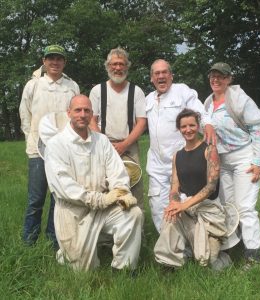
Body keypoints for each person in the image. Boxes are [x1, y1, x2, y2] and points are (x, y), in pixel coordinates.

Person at [44, 95, 142, 271]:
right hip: (72, 213)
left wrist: (121, 191)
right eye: (78, 110)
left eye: (87, 110)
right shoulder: (56, 145)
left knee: (133, 214)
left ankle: (124, 269)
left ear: (91, 114)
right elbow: (64, 187)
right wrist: (100, 199)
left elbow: (116, 170)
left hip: (104, 209)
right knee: (83, 270)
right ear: (69, 113)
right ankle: (67, 253)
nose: (82, 114)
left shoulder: (101, 140)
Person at [204, 62, 260, 268]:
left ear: (229, 78)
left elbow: (258, 129)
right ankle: (231, 247)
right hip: (222, 161)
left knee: (245, 207)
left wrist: (258, 162)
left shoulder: (239, 98)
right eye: (212, 76)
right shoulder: (207, 102)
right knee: (228, 206)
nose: (216, 79)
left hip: (244, 157)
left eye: (220, 76)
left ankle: (253, 254)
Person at [19, 44, 80, 248]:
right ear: (44, 62)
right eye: (50, 58)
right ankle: (29, 242)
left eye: (59, 59)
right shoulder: (34, 85)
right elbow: (25, 114)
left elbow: (76, 117)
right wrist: (32, 138)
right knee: (35, 200)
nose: (55, 62)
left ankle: (54, 242)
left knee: (59, 198)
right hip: (37, 151)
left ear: (64, 62)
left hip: (63, 152)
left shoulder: (72, 87)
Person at [146, 59, 216, 232]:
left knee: (184, 203)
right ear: (151, 78)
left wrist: (207, 124)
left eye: (165, 72)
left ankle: (190, 242)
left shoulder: (182, 91)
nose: (161, 76)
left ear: (171, 75)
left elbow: (198, 111)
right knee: (157, 205)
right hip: (156, 163)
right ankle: (168, 243)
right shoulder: (148, 99)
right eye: (157, 73)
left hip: (181, 162)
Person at [154, 109, 229, 270]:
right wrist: (175, 204)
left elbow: (211, 187)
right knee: (169, 218)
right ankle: (169, 262)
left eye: (192, 125)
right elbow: (175, 186)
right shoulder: (177, 156)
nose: (188, 130)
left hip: (207, 210)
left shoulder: (209, 150)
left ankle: (221, 255)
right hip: (185, 208)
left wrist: (184, 205)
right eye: (184, 126)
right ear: (179, 129)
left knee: (207, 263)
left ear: (198, 127)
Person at [89, 47, 146, 211]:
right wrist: (105, 144)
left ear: (127, 66)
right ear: (108, 66)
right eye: (114, 64)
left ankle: (137, 231)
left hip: (130, 146)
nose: (118, 68)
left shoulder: (137, 92)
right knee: (104, 187)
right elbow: (92, 120)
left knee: (134, 186)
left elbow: (141, 122)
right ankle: (107, 231)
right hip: (103, 145)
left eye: (121, 64)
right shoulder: (97, 91)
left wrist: (125, 144)